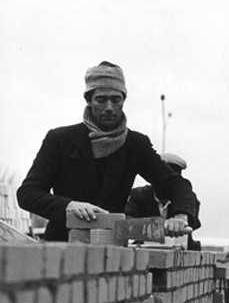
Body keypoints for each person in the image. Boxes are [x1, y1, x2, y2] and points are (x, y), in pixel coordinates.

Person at [17, 61, 198, 242]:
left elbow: (177, 185)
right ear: (88, 100)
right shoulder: (60, 139)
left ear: (123, 101)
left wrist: (180, 216)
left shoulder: (136, 144)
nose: (109, 107)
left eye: (116, 99)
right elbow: (27, 193)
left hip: (112, 251)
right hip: (62, 248)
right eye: (101, 100)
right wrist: (68, 205)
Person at [125, 152, 201, 250]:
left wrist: (181, 220)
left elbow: (192, 223)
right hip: (144, 251)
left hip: (181, 251)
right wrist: (161, 227)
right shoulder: (138, 195)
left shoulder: (188, 199)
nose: (167, 183)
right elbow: (127, 220)